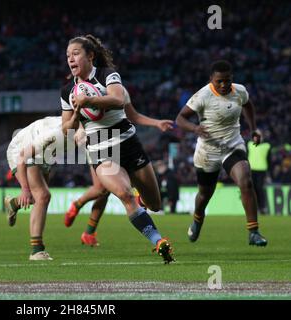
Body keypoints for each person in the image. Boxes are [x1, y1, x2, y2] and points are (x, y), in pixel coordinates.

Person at [61, 34, 175, 264]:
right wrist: (75, 112)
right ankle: (158, 241)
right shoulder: (67, 92)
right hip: (101, 151)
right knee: (124, 194)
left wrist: (90, 101)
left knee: (155, 204)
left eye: (75, 54)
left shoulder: (108, 75)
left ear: (90, 56)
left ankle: (144, 203)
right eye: (67, 56)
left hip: (128, 143)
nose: (71, 59)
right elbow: (67, 129)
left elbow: (118, 100)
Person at [175, 60, 267, 246]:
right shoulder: (202, 95)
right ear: (212, 80)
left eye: (227, 80)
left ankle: (253, 232)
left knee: (246, 181)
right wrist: (195, 128)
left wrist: (254, 129)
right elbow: (180, 118)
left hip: (233, 145)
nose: (224, 85)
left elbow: (248, 105)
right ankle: (197, 219)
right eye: (219, 81)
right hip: (208, 151)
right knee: (204, 194)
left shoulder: (239, 91)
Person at [64, 90, 174, 247]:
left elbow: (133, 116)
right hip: (98, 143)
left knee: (152, 204)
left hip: (123, 142)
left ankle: (86, 226)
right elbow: (76, 119)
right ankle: (83, 217)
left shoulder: (117, 89)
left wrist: (156, 123)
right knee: (102, 188)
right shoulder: (76, 90)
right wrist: (80, 129)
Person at [4, 116, 66, 261]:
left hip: (44, 154)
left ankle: (14, 203)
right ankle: (36, 251)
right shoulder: (55, 134)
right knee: (43, 196)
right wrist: (24, 188)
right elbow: (23, 156)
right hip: (22, 149)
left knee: (36, 199)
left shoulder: (84, 130)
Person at [247, 137, 271, 215]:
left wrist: (268, 174)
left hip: (262, 170)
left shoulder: (266, 146)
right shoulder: (249, 144)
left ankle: (262, 208)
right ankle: (256, 208)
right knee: (253, 189)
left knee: (259, 188)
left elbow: (269, 160)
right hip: (251, 170)